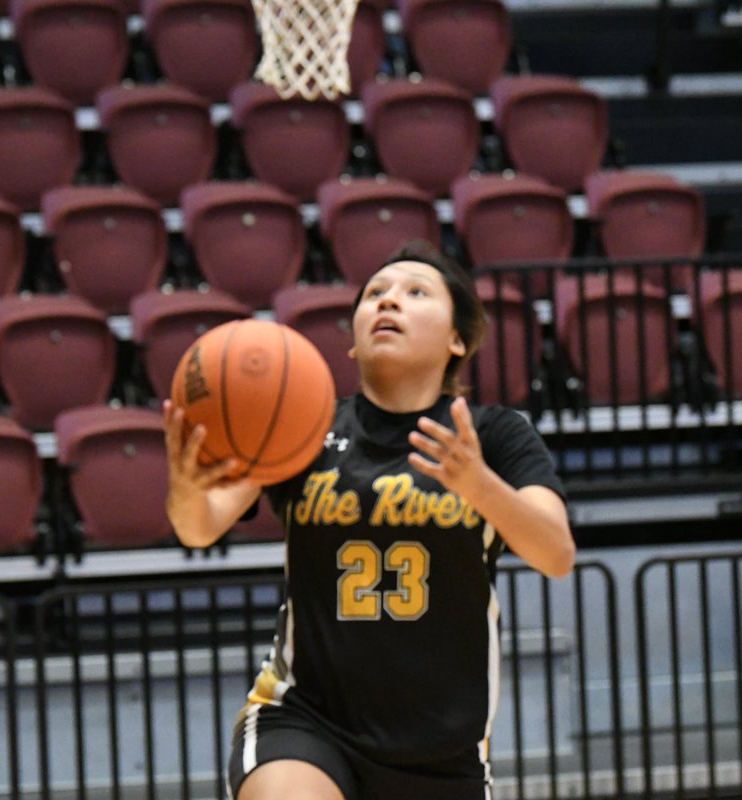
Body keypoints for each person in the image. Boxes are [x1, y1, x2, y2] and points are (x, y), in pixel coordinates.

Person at [163, 241, 575, 800]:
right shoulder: (301, 427)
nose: (389, 302)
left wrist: (480, 486)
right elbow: (200, 527)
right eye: (375, 294)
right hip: (307, 719)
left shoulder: (495, 436)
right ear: (353, 344)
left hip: (442, 748)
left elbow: (556, 554)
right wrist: (186, 489)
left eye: (415, 292)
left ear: (457, 339)